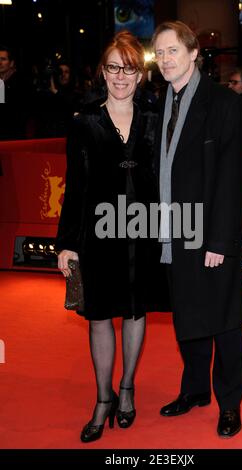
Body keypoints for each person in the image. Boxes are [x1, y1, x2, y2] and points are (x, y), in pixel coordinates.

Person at [56, 31, 164, 443]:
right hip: (97, 235)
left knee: (135, 311)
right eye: (114, 67)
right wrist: (67, 242)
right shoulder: (84, 123)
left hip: (143, 232)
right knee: (99, 315)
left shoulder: (155, 119)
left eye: (129, 68)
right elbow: (75, 186)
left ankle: (127, 388)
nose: (121, 75)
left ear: (140, 74)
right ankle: (103, 398)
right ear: (103, 72)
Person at [152, 21, 242, 438]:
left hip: (210, 236)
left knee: (224, 321)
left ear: (193, 54)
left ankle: (230, 403)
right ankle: (194, 391)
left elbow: (232, 178)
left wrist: (219, 241)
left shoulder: (224, 103)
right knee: (189, 316)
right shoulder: (163, 103)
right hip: (174, 234)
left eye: (173, 50)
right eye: (160, 52)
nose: (165, 59)